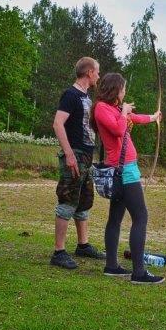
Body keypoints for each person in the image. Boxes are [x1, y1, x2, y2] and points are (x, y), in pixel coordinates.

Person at [92, 72, 164, 284]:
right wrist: (123, 112)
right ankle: (139, 272)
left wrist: (153, 117)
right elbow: (118, 129)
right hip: (123, 171)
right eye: (122, 88)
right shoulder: (101, 108)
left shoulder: (113, 109)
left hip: (123, 170)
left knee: (115, 218)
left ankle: (112, 266)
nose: (124, 92)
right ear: (115, 89)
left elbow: (134, 118)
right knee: (140, 217)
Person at [50, 57, 105, 269]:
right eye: (97, 72)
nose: (98, 76)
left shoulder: (87, 97)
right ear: (89, 72)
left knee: (83, 200)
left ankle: (83, 245)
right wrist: (69, 153)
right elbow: (58, 123)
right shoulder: (71, 94)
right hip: (75, 155)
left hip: (86, 157)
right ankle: (59, 251)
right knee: (67, 200)